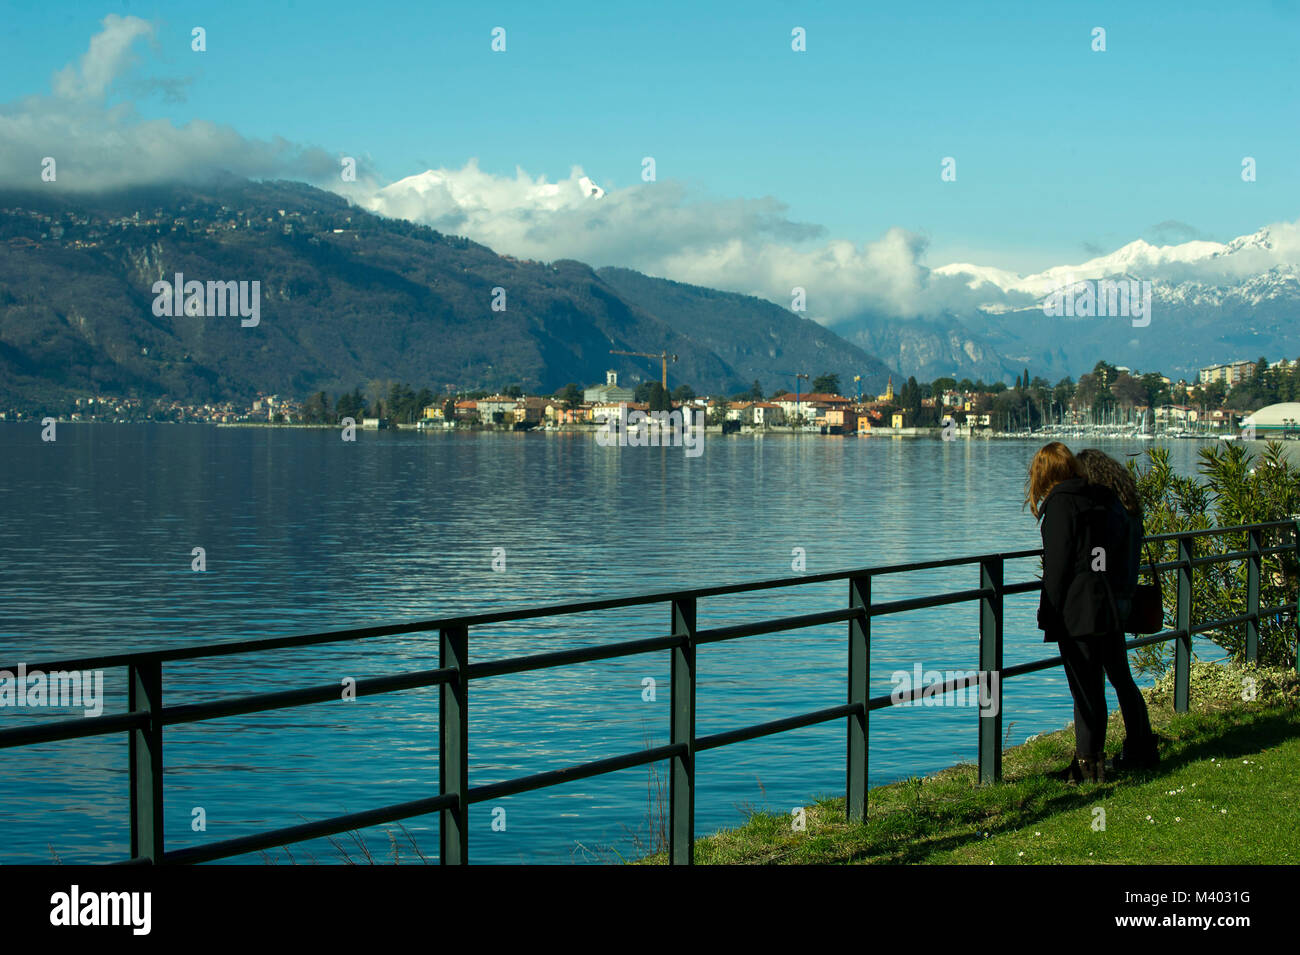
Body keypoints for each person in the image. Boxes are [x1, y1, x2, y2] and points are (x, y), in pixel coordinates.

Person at [1024, 442, 1125, 783]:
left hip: (1076, 609)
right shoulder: (1100, 497)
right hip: (1105, 603)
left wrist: (1046, 611)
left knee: (1082, 688)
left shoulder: (1061, 506)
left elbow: (1057, 566)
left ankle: (1087, 767)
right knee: (1096, 686)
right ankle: (1092, 760)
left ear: (1043, 474)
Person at [1075, 448, 1160, 771]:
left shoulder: (1107, 510)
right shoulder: (1130, 508)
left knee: (1103, 678)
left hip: (1107, 601)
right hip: (1125, 596)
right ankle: (1141, 743)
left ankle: (1101, 754)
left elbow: (1100, 554)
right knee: (1121, 676)